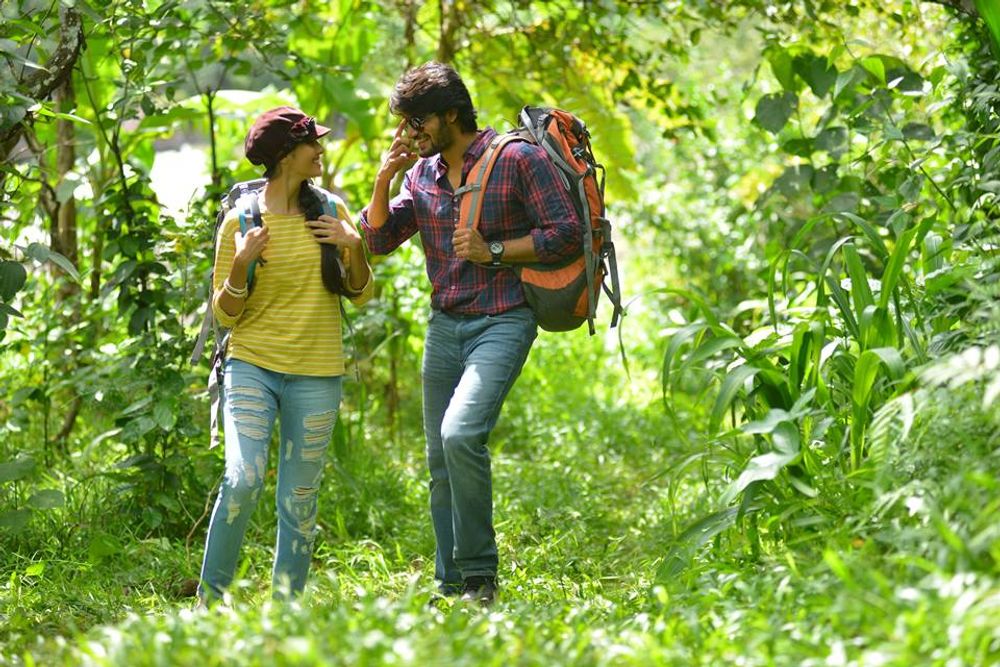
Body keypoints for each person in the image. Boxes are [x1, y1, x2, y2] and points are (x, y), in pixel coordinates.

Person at [360, 62, 582, 605]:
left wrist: (495, 250)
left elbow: (566, 233)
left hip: (503, 318)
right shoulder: (422, 174)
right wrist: (384, 178)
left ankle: (480, 577)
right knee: (440, 459)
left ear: (451, 115)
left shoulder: (516, 159)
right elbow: (379, 240)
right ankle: (451, 582)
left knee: (460, 435)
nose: (409, 132)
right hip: (444, 325)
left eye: (417, 121)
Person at [198, 106, 373, 603]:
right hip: (252, 366)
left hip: (317, 372)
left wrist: (354, 246)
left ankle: (286, 610)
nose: (320, 149)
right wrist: (241, 264)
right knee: (242, 479)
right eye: (311, 143)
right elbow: (225, 314)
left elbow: (361, 294)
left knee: (299, 498)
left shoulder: (331, 211)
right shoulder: (240, 222)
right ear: (284, 155)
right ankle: (210, 603)